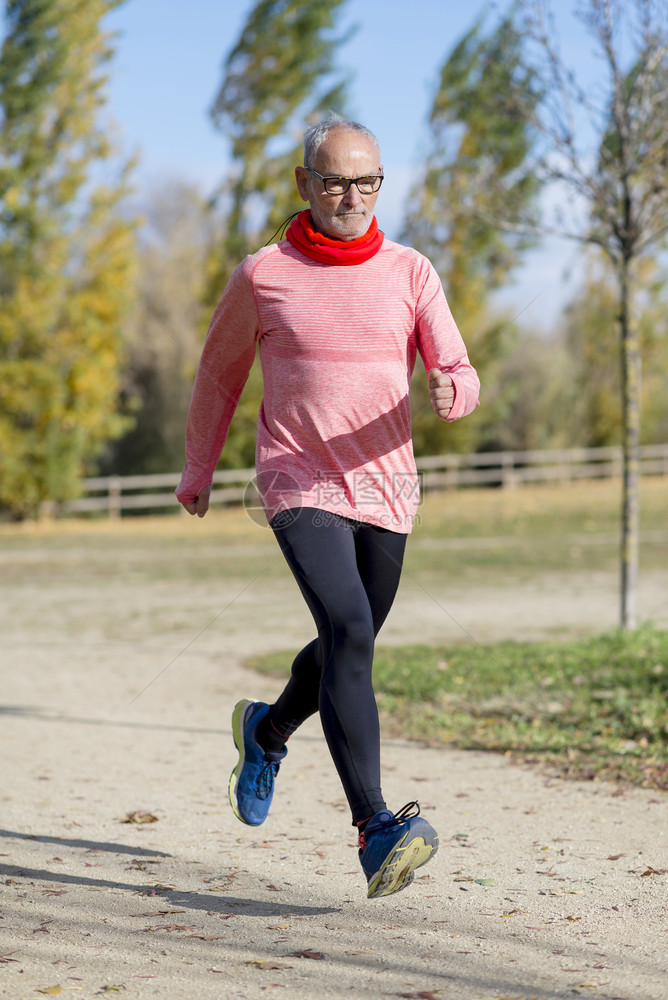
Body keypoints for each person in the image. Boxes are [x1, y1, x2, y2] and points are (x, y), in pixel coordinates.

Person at [176, 114, 480, 899]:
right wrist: (198, 466)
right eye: (338, 180)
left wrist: (453, 391)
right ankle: (377, 827)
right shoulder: (263, 274)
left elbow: (458, 366)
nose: (354, 196)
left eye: (368, 181)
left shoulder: (413, 272)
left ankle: (266, 730)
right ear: (306, 184)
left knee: (351, 643)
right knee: (347, 631)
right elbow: (219, 374)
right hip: (297, 480)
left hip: (387, 487)